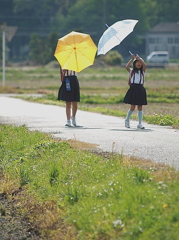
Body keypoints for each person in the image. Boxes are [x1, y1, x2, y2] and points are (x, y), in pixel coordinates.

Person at [123, 54, 147, 129]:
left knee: (140, 107)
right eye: (137, 62)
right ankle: (127, 120)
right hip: (133, 89)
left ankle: (140, 124)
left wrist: (140, 59)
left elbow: (145, 66)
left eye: (140, 62)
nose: (139, 64)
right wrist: (132, 59)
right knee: (132, 107)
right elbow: (127, 67)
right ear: (134, 64)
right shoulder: (131, 71)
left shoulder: (142, 72)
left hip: (140, 89)